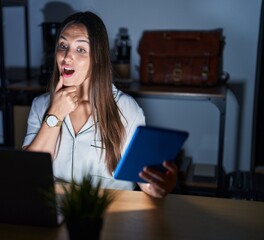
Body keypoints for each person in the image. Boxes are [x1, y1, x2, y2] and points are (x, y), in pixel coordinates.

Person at [23, 11, 177, 198]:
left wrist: (160, 185)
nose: (67, 57)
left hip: (109, 216)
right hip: (56, 212)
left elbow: (146, 183)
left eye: (80, 49)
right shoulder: (41, 106)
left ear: (97, 57)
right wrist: (55, 115)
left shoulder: (127, 109)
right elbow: (28, 173)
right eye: (63, 46)